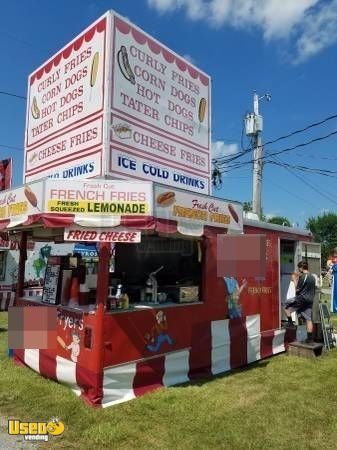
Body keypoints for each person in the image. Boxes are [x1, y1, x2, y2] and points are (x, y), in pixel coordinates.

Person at [284, 261, 316, 343]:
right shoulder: (312, 276)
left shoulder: (304, 276)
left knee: (285, 306)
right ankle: (310, 339)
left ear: (301, 268)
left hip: (301, 299)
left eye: (299, 268)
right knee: (308, 319)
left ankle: (290, 323)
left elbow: (297, 290)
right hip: (310, 300)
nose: (299, 270)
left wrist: (294, 280)